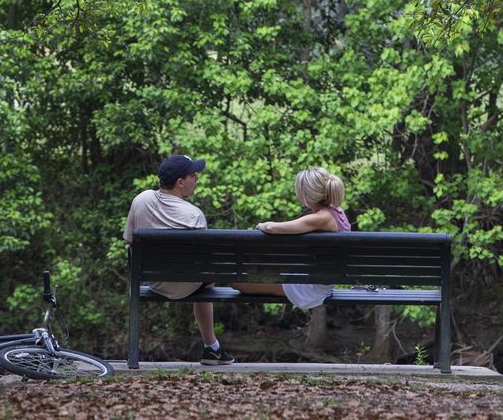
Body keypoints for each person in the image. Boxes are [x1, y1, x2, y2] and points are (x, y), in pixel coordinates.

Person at [123, 154, 235, 365]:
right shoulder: (193, 214)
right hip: (187, 286)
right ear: (180, 182)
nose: (197, 179)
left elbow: (130, 242)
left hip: (153, 282)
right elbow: (202, 260)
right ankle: (211, 346)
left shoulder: (141, 200)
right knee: (209, 274)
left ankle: (213, 347)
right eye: (193, 175)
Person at [233, 166, 350, 310]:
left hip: (310, 288)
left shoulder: (322, 218)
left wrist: (262, 225)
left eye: (299, 191)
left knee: (235, 281)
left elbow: (271, 228)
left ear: (308, 194)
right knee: (247, 275)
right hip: (317, 282)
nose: (296, 193)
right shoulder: (337, 211)